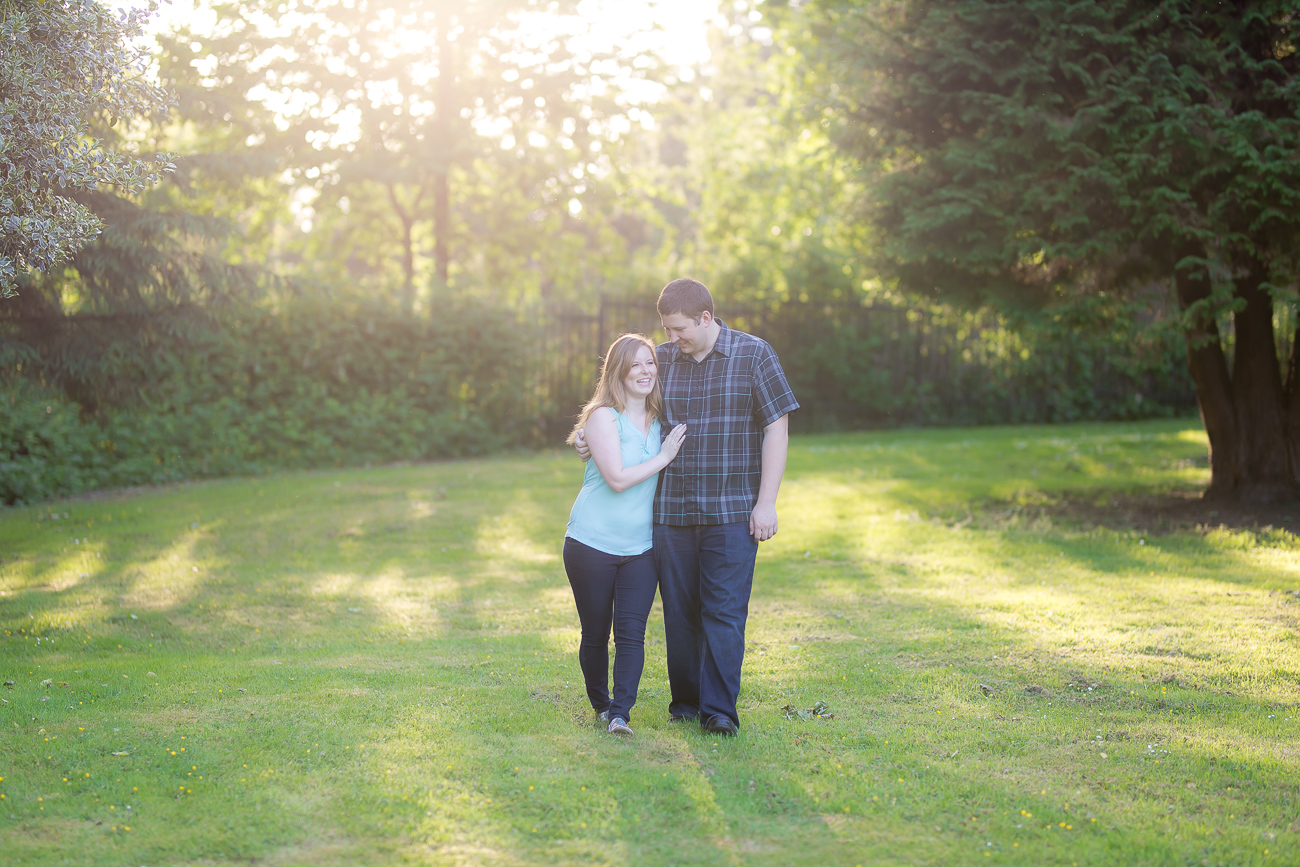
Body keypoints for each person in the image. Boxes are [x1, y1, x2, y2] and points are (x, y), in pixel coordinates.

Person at [577, 279, 798, 736]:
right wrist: (587, 436)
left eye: (678, 329)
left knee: (725, 611)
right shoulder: (660, 363)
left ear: (705, 318)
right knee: (679, 613)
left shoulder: (754, 355)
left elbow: (776, 427)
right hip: (671, 515)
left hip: (732, 510)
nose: (672, 338)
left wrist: (767, 502)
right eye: (666, 329)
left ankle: (719, 712)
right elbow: (620, 405)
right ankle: (685, 704)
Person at [564, 333, 688, 736]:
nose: (644, 371)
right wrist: (664, 457)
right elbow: (617, 479)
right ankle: (600, 703)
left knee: (633, 633)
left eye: (650, 363)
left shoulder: (661, 419)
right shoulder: (603, 417)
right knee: (596, 633)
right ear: (617, 371)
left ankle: (621, 713)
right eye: (634, 364)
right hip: (591, 543)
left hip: (641, 547)